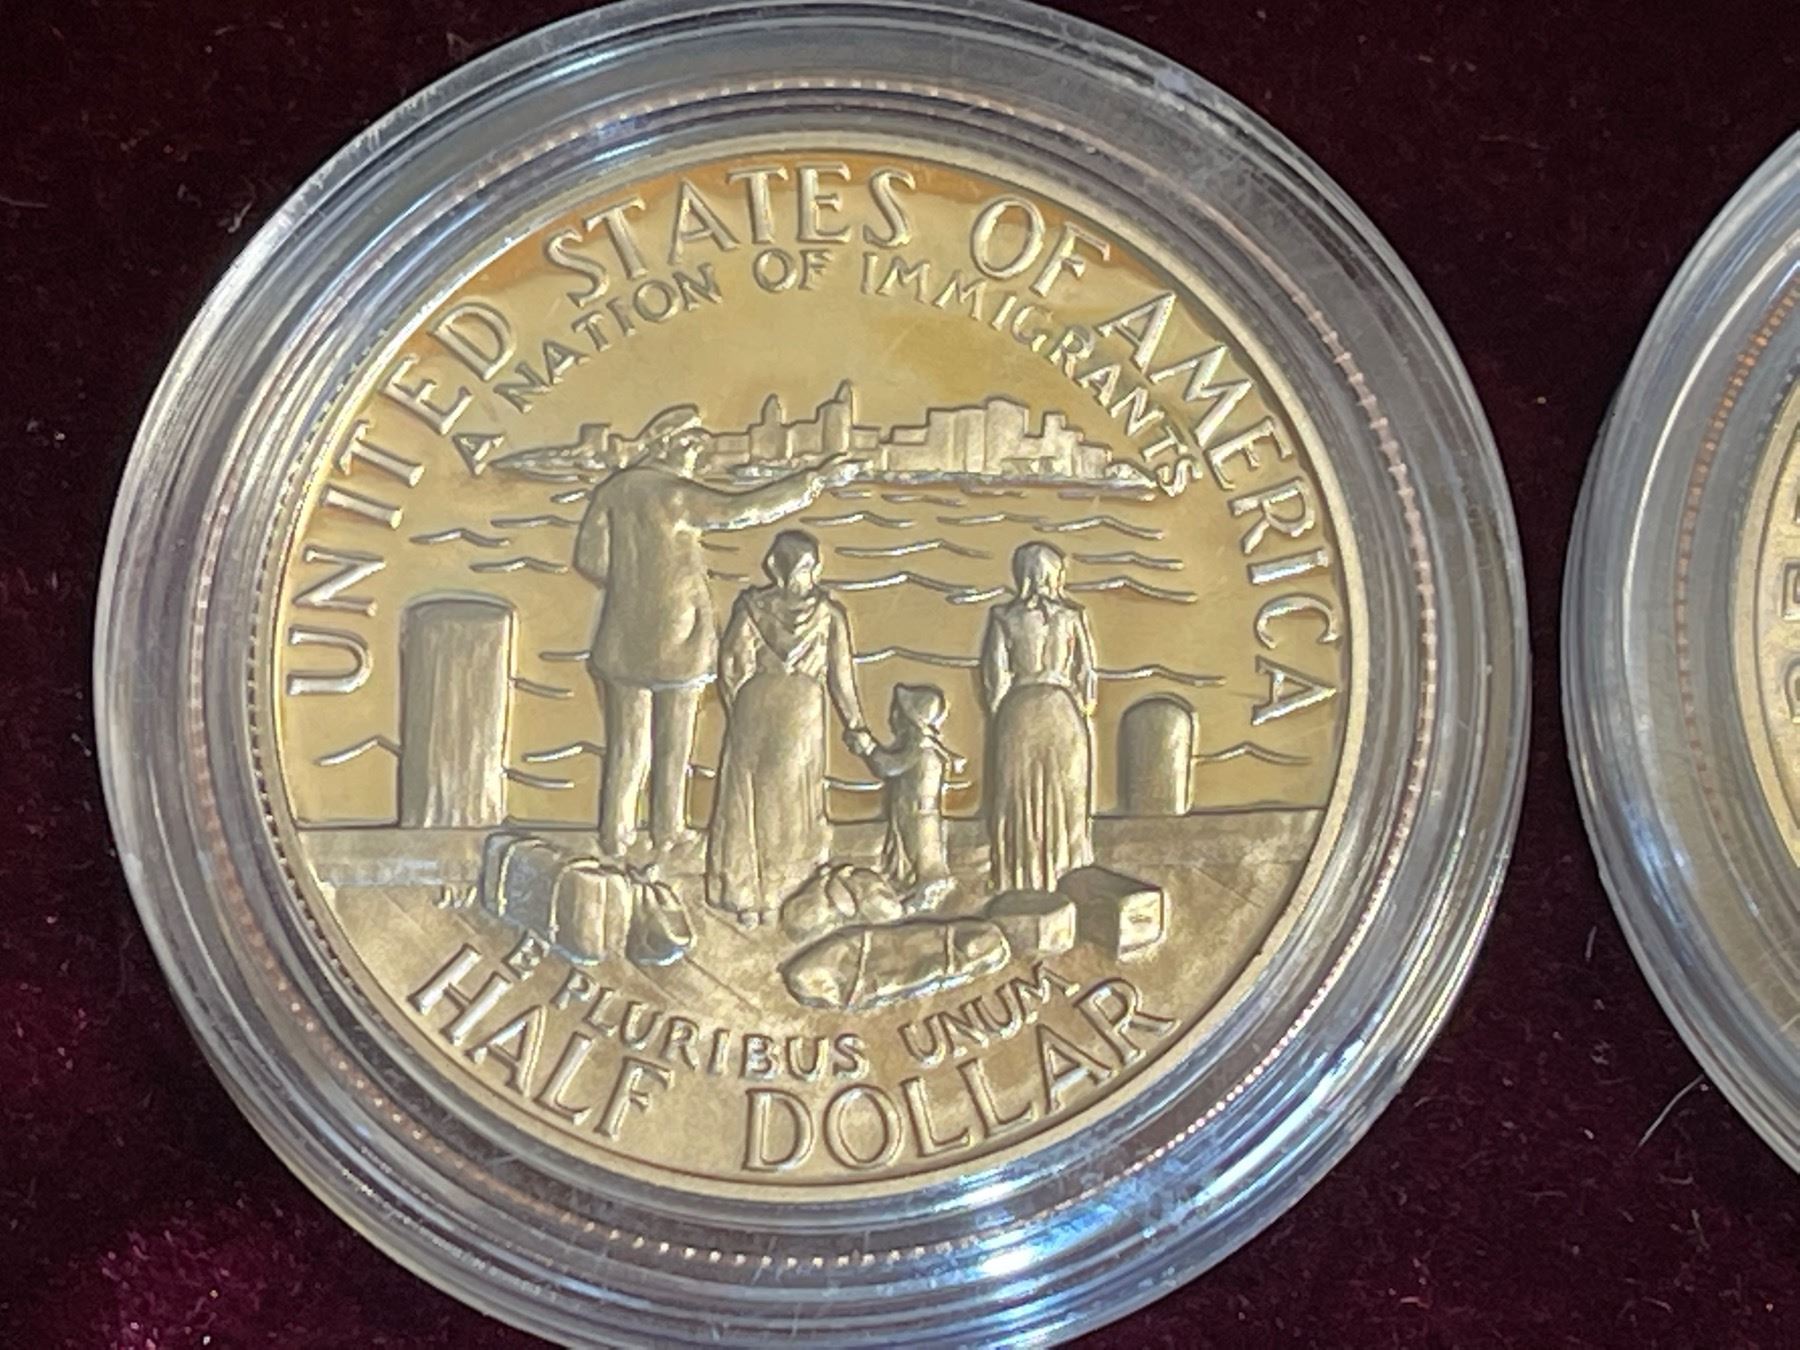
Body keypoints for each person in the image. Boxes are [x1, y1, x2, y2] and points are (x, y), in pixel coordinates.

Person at [572, 405, 860, 857]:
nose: (699, 453)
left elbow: (589, 560)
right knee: (674, 743)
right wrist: (814, 481)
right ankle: (667, 831)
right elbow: (742, 510)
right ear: (665, 446)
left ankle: (616, 833)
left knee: (627, 743)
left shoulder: (614, 491)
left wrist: (633, 584)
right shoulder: (676, 495)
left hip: (621, 636)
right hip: (679, 635)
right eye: (691, 444)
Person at [706, 531, 872, 924]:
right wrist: (856, 725)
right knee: (793, 799)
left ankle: (745, 899)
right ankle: (788, 893)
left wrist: (738, 705)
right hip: (801, 706)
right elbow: (841, 679)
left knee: (746, 797)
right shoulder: (829, 615)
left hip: (755, 703)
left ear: (774, 567)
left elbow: (731, 665)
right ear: (813, 567)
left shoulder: (750, 607)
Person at [979, 542, 1098, 892]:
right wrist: (1079, 706)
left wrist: (1001, 712)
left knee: (1017, 796)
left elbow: (995, 677)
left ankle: (1019, 877)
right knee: (1067, 795)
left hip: (1019, 708)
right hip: (1063, 710)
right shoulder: (1072, 616)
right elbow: (1087, 675)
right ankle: (1069, 874)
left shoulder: (1004, 617)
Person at [863, 683, 961, 904]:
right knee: (912, 853)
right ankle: (913, 885)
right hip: (914, 812)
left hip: (917, 815)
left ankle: (923, 888)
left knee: (918, 854)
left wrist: (868, 747)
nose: (891, 718)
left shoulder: (919, 748)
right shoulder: (927, 748)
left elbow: (888, 767)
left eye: (896, 713)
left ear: (908, 721)